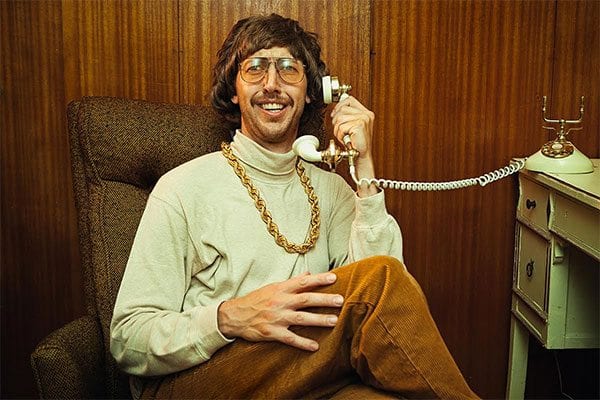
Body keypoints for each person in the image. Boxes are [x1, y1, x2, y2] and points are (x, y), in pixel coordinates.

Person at [110, 13, 478, 399]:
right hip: (204, 378)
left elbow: (385, 313)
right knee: (379, 280)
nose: (272, 84)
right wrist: (229, 317)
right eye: (255, 68)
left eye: (288, 69)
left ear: (312, 92)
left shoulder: (333, 192)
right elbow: (128, 338)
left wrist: (364, 165)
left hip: (306, 373)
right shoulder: (184, 188)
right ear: (234, 90)